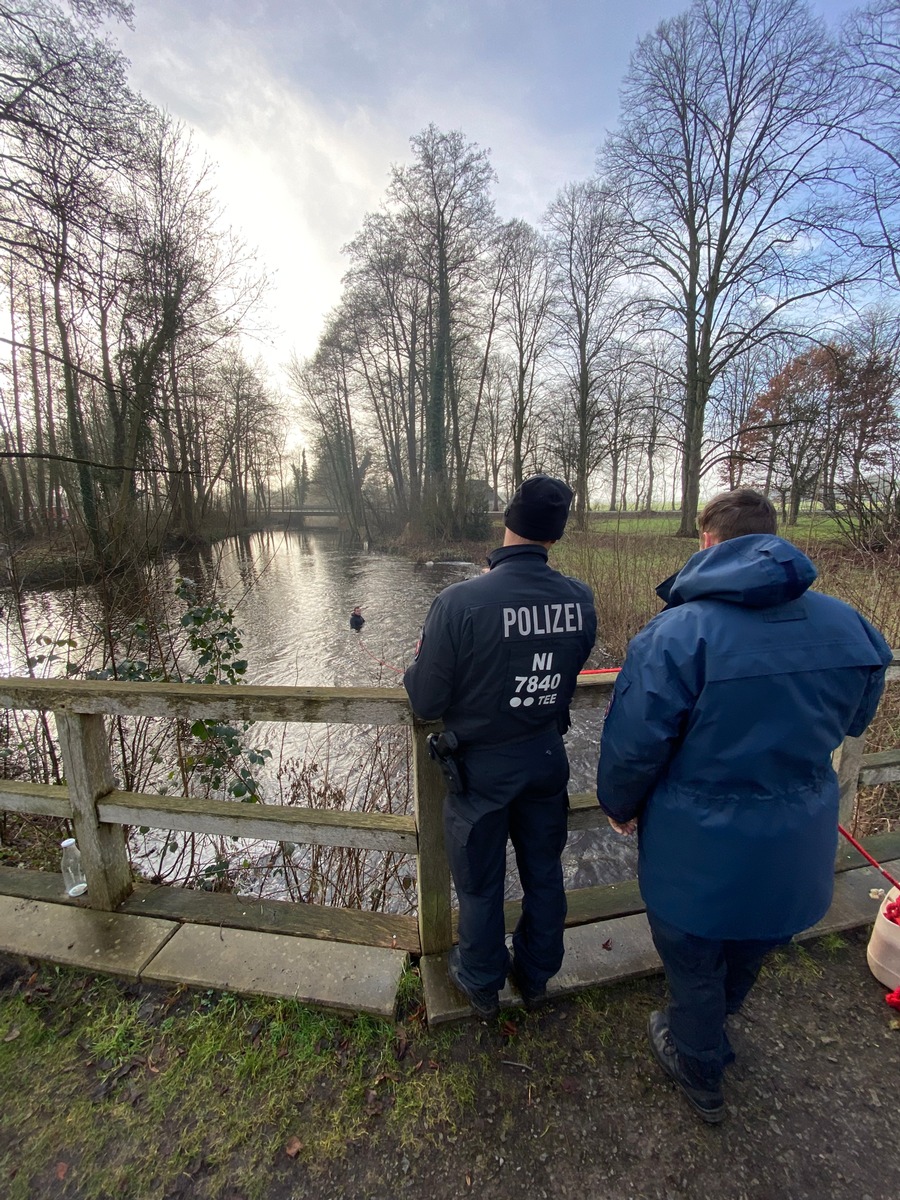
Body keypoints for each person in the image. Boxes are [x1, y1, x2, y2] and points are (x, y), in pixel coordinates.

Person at [597, 487, 892, 1124]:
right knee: (755, 940)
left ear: (708, 543)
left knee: (692, 957)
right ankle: (713, 1027)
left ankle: (699, 1065)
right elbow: (857, 717)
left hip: (694, 848)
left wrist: (618, 804)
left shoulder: (676, 634)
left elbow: (633, 744)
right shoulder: (852, 626)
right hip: (796, 844)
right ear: (773, 536)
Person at [404, 475, 597, 1019]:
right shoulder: (578, 597)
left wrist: (417, 664)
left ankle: (483, 981)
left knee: (481, 882)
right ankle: (536, 975)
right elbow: (568, 665)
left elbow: (425, 697)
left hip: (482, 770)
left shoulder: (460, 601)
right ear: (554, 537)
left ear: (507, 522)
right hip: (544, 758)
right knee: (544, 870)